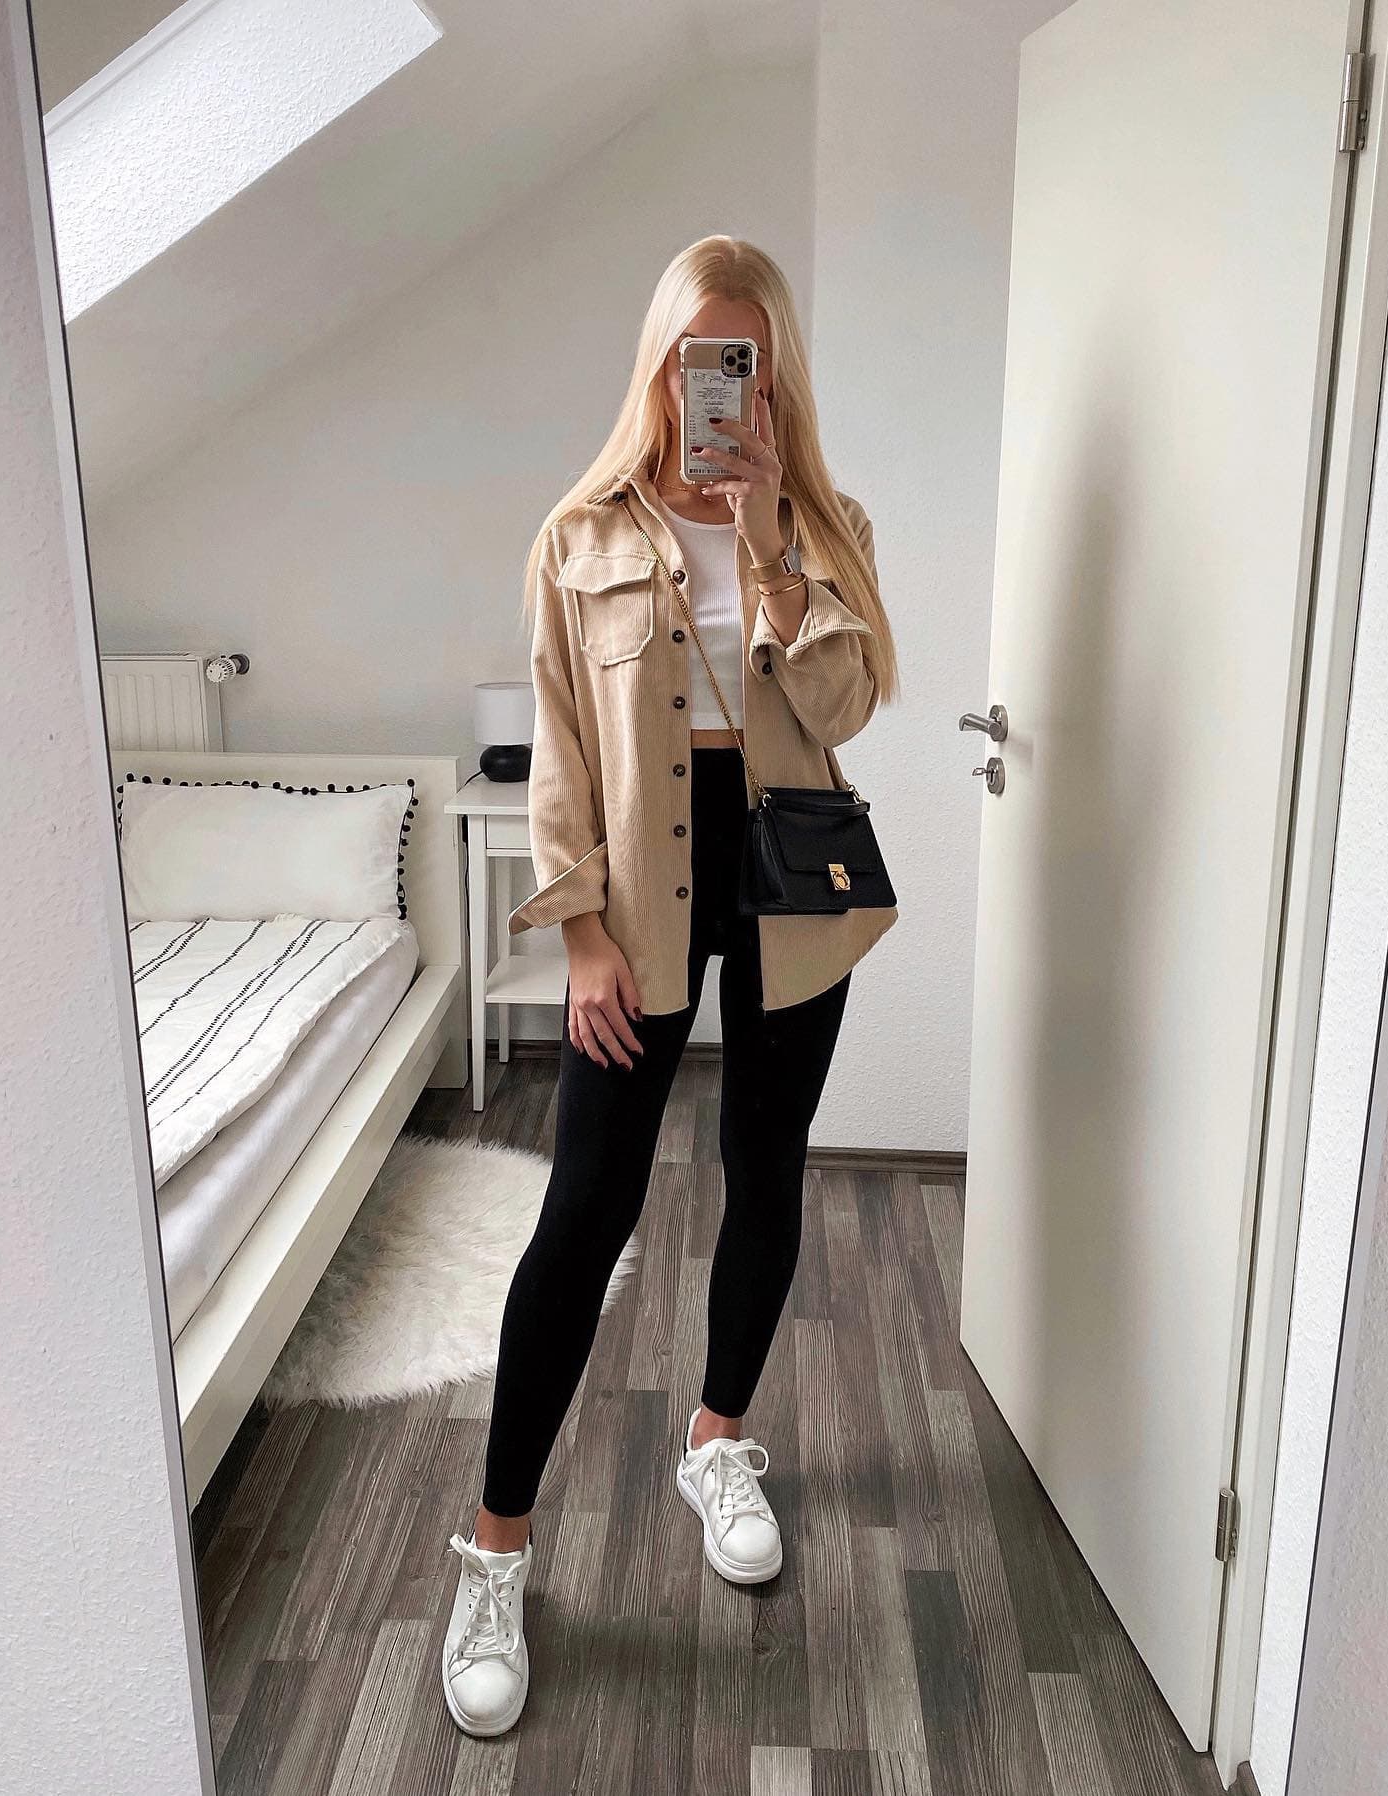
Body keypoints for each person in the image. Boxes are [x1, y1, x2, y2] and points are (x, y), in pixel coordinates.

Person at [440, 235, 899, 1737]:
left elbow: (845, 706)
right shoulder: (578, 536)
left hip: (785, 878)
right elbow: (562, 750)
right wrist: (580, 934)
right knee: (587, 1209)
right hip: (639, 888)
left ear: (774, 376)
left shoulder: (824, 526)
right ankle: (496, 1550)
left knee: (767, 1170)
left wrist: (768, 544)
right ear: (659, 363)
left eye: (745, 361)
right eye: (700, 355)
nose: (721, 385)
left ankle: (717, 1441)